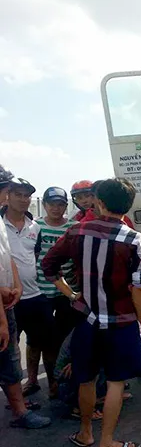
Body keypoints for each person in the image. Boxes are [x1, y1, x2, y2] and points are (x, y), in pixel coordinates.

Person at [43, 177, 141, 447]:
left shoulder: (77, 231)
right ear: (128, 205)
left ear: (99, 202)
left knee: (86, 379)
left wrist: (71, 294)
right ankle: (108, 445)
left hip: (87, 320)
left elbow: (49, 265)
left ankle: (85, 433)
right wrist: (138, 319)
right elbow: (138, 288)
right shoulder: (134, 239)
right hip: (121, 321)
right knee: (115, 382)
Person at [72, 179, 141, 371]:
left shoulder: (124, 221)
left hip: (129, 287)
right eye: (81, 197)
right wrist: (73, 293)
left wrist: (140, 285)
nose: (85, 200)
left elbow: (138, 251)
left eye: (88, 195)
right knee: (109, 336)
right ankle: (115, 373)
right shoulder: (81, 225)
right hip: (101, 293)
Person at [0, 166, 50, 429]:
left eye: (25, 195)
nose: (21, 198)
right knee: (8, 351)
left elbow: (21, 257)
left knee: (31, 345)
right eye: (14, 192)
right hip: (6, 301)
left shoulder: (34, 227)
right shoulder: (1, 221)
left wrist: (18, 285)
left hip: (28, 295)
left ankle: (27, 392)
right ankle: (18, 404)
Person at [35, 187, 79, 356]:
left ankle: (62, 368)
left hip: (66, 291)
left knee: (65, 334)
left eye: (60, 204)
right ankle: (33, 374)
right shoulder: (35, 226)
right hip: (40, 289)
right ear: (44, 205)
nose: (56, 208)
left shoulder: (74, 227)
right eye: (51, 204)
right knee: (38, 339)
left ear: (66, 206)